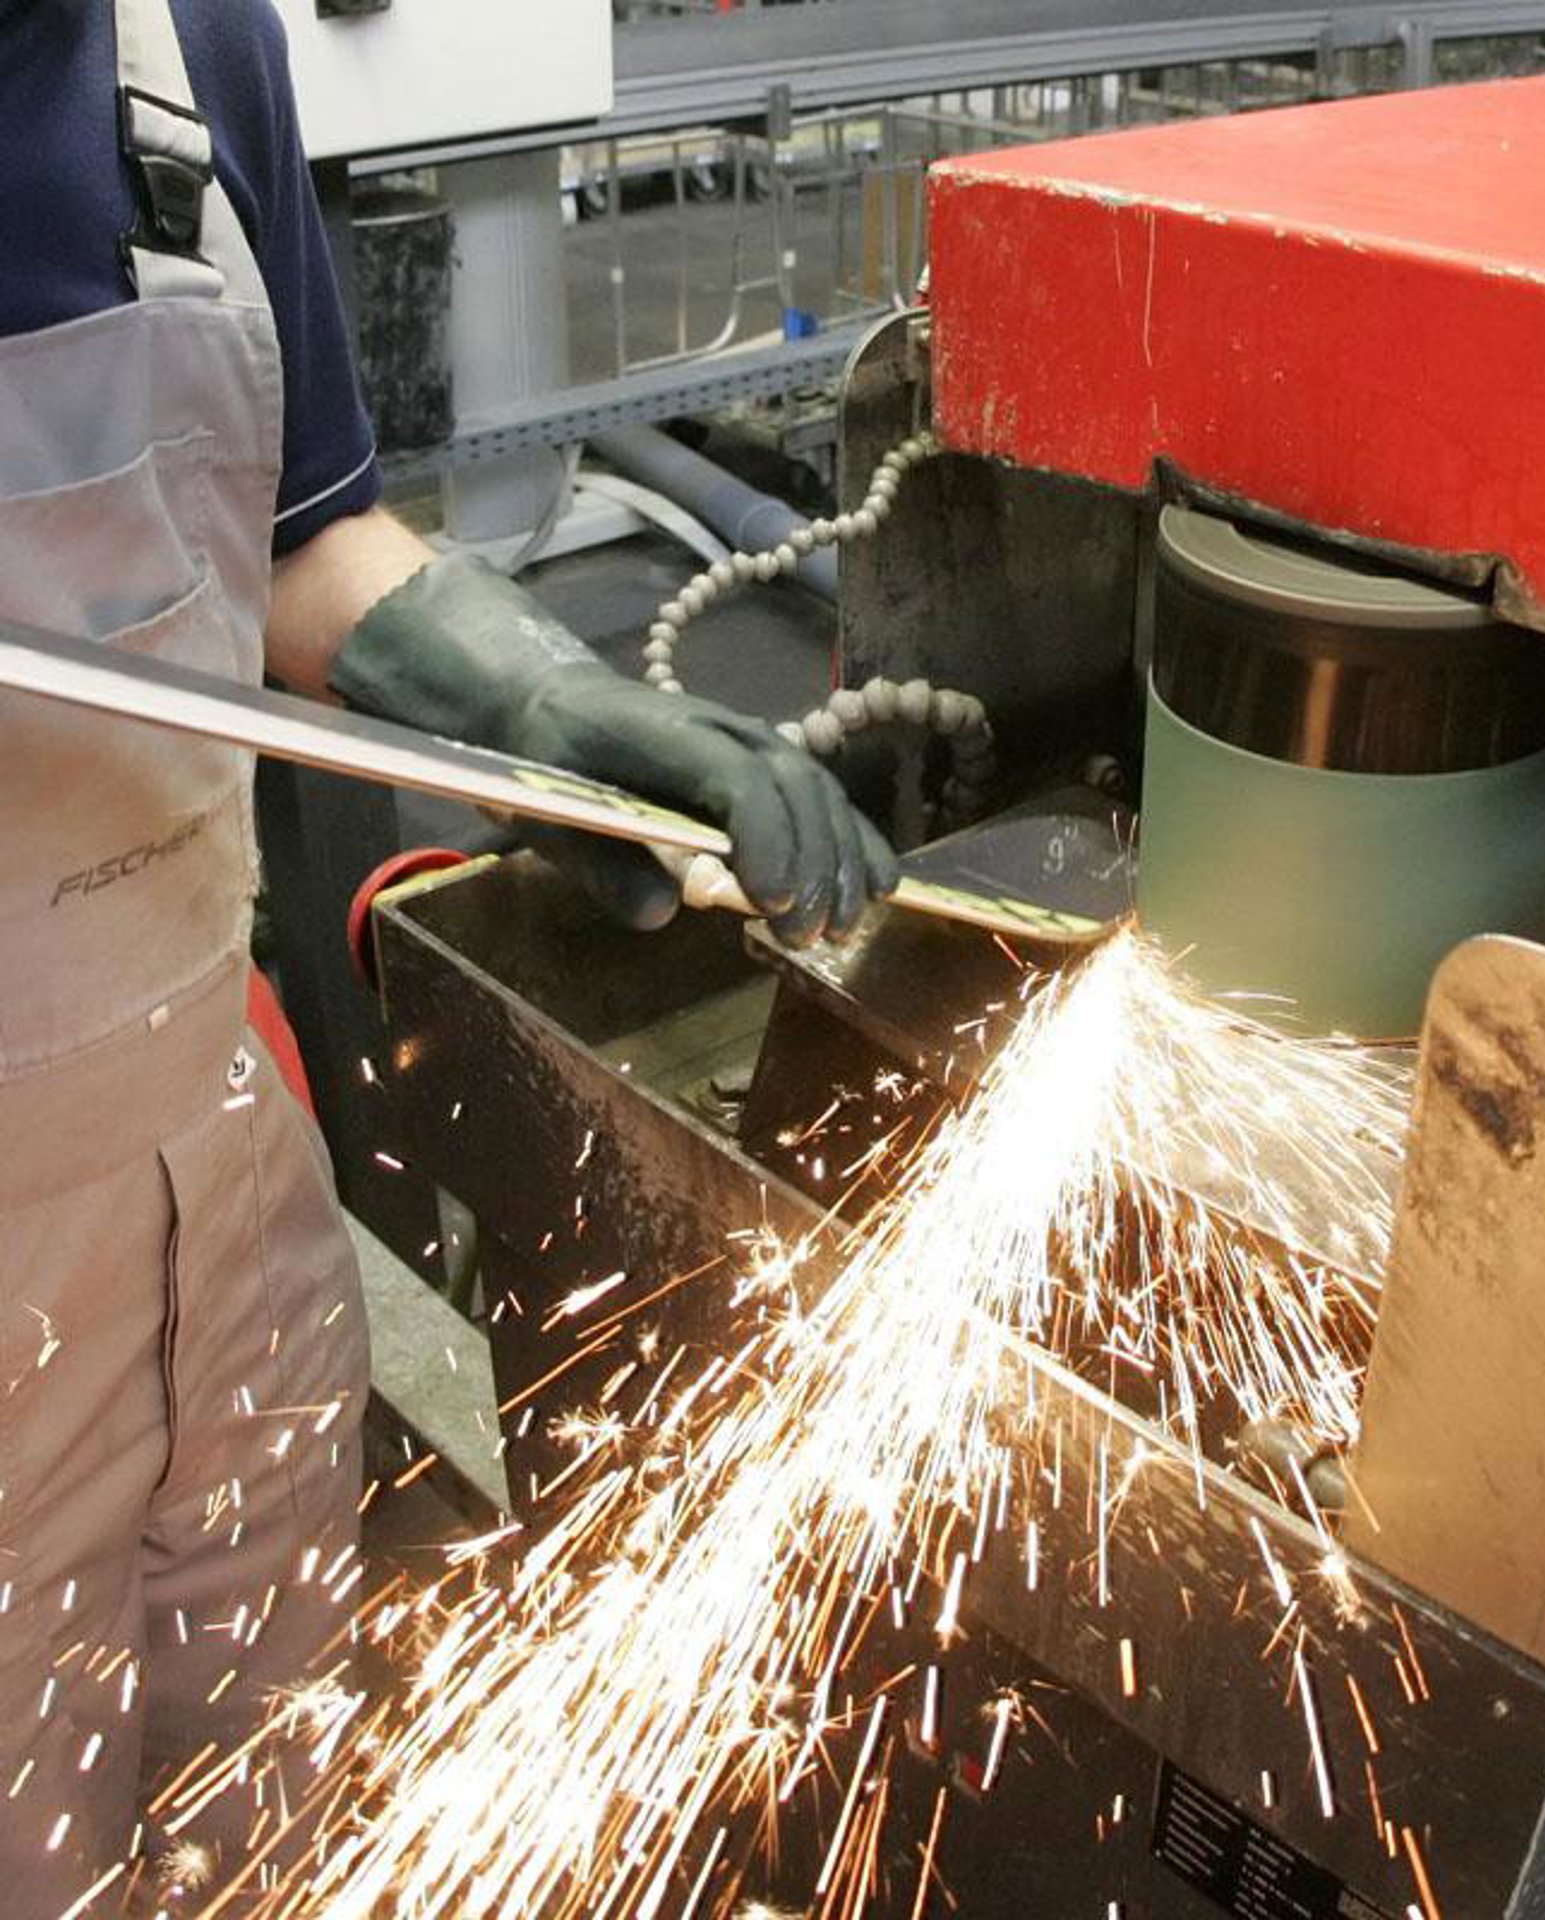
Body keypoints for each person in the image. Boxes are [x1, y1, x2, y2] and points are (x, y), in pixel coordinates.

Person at [0, 1, 895, 1910]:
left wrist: (530, 698)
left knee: (266, 1797)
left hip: (216, 1185)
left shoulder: (189, 47)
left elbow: (294, 532)